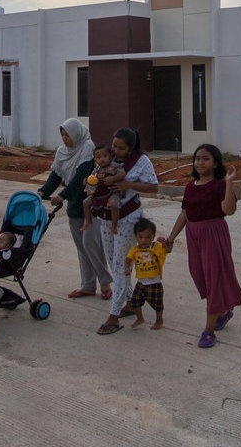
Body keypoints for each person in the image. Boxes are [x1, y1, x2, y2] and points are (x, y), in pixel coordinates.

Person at [163, 143, 241, 349]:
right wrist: (171, 238)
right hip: (194, 235)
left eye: (206, 158)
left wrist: (229, 184)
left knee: (213, 278)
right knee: (199, 275)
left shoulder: (219, 185)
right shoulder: (190, 187)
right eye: (198, 158)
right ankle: (223, 312)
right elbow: (185, 213)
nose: (200, 162)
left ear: (215, 162)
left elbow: (228, 210)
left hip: (213, 234)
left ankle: (208, 331)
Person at [37, 118, 113, 300]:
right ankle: (87, 285)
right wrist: (42, 191)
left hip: (91, 204)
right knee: (82, 247)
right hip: (74, 207)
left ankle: (104, 281)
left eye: (68, 135)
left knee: (90, 244)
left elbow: (81, 177)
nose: (65, 138)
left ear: (76, 133)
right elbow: (55, 175)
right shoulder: (62, 152)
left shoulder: (87, 146)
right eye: (62, 135)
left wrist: (62, 195)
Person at [96, 127, 160, 335]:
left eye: (121, 148)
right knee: (112, 259)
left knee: (121, 263)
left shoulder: (141, 161)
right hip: (106, 217)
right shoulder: (109, 158)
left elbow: (154, 187)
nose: (115, 150)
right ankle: (132, 302)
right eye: (114, 145)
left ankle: (113, 315)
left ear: (131, 148)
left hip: (127, 218)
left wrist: (128, 184)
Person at [124, 218, 170, 330]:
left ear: (153, 236)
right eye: (140, 237)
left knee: (158, 304)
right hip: (141, 282)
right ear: (136, 236)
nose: (144, 240)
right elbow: (128, 258)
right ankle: (140, 318)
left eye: (148, 237)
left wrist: (165, 243)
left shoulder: (156, 247)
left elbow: (167, 250)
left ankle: (159, 320)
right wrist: (127, 268)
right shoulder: (135, 249)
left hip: (154, 282)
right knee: (135, 302)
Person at [82, 144, 126, 234]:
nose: (102, 159)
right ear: (95, 159)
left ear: (110, 156)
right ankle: (88, 221)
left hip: (112, 192)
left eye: (105, 156)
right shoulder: (96, 170)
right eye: (98, 157)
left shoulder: (114, 166)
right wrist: (87, 183)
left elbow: (122, 174)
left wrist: (113, 178)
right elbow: (91, 181)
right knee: (85, 202)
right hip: (99, 193)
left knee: (114, 204)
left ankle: (114, 225)